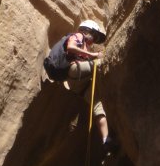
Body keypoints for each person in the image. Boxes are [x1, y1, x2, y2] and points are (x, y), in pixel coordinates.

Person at [44, 20, 116, 154]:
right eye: (94, 36)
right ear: (88, 31)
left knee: (97, 105)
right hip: (75, 70)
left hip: (77, 84)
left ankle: (106, 139)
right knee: (103, 62)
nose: (94, 40)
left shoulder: (86, 45)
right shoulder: (79, 36)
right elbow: (71, 47)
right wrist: (93, 55)